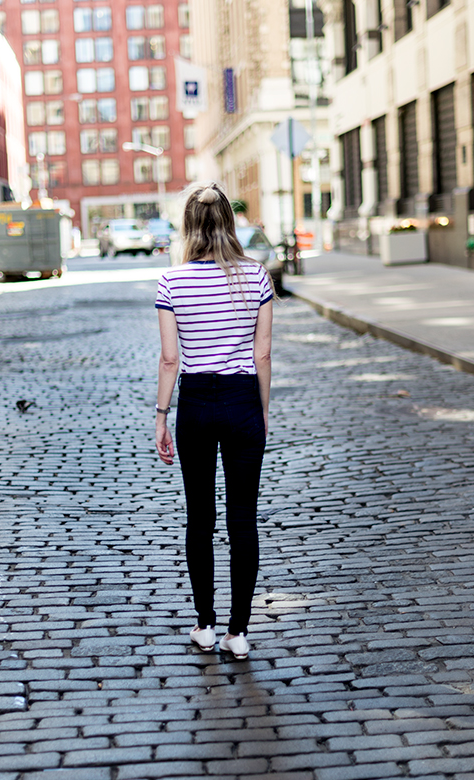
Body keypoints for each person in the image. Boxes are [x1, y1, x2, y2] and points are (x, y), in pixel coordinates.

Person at [154, 181, 274, 660]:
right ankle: (239, 632)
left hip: (197, 404)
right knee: (243, 517)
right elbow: (262, 354)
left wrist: (161, 417)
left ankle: (204, 624)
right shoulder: (257, 276)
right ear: (230, 221)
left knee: (199, 518)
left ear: (189, 226)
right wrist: (262, 411)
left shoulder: (171, 282)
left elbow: (169, 360)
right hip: (244, 400)